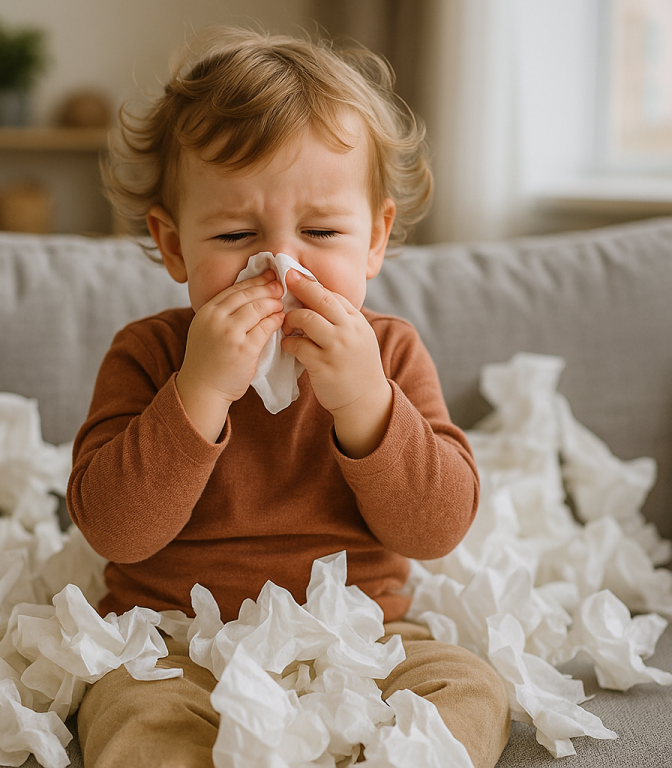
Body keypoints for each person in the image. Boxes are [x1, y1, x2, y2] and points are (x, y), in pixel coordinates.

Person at [67, 26, 510, 768]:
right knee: (132, 713)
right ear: (174, 246)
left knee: (469, 689)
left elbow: (436, 529)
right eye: (237, 232)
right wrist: (200, 389)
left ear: (375, 238)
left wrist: (368, 406)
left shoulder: (391, 352)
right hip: (174, 639)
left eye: (323, 230)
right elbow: (115, 529)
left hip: (362, 637)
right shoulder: (147, 353)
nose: (280, 266)